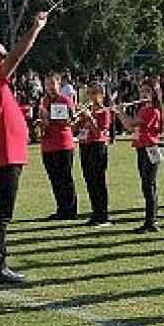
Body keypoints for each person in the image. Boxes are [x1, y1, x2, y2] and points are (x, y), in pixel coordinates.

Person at [0, 11, 48, 285]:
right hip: (2, 157)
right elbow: (19, 55)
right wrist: (36, 27)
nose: (5, 57)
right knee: (1, 214)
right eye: (0, 54)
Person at [114, 78, 164, 234]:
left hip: (149, 148)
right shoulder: (143, 109)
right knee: (146, 185)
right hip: (141, 147)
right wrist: (120, 112)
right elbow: (130, 128)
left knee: (149, 186)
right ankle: (150, 220)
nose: (143, 94)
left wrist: (120, 111)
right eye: (142, 91)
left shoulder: (152, 110)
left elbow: (130, 124)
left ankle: (152, 221)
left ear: (155, 93)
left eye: (147, 91)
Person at [39, 73, 78, 220]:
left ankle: (70, 210)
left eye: (52, 84)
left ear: (59, 84)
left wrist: (47, 116)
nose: (49, 87)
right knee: (54, 179)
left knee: (65, 178)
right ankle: (61, 208)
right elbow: (44, 122)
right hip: (47, 145)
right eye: (47, 84)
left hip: (62, 144)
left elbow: (65, 121)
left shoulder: (64, 100)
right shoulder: (44, 101)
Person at [75, 83, 113, 227]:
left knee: (98, 181)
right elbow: (75, 127)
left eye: (94, 93)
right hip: (84, 146)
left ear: (101, 95)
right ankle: (95, 213)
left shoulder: (104, 111)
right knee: (89, 180)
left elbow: (99, 132)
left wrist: (90, 118)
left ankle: (103, 215)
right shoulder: (88, 111)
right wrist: (78, 119)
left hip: (97, 147)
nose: (91, 97)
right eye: (89, 93)